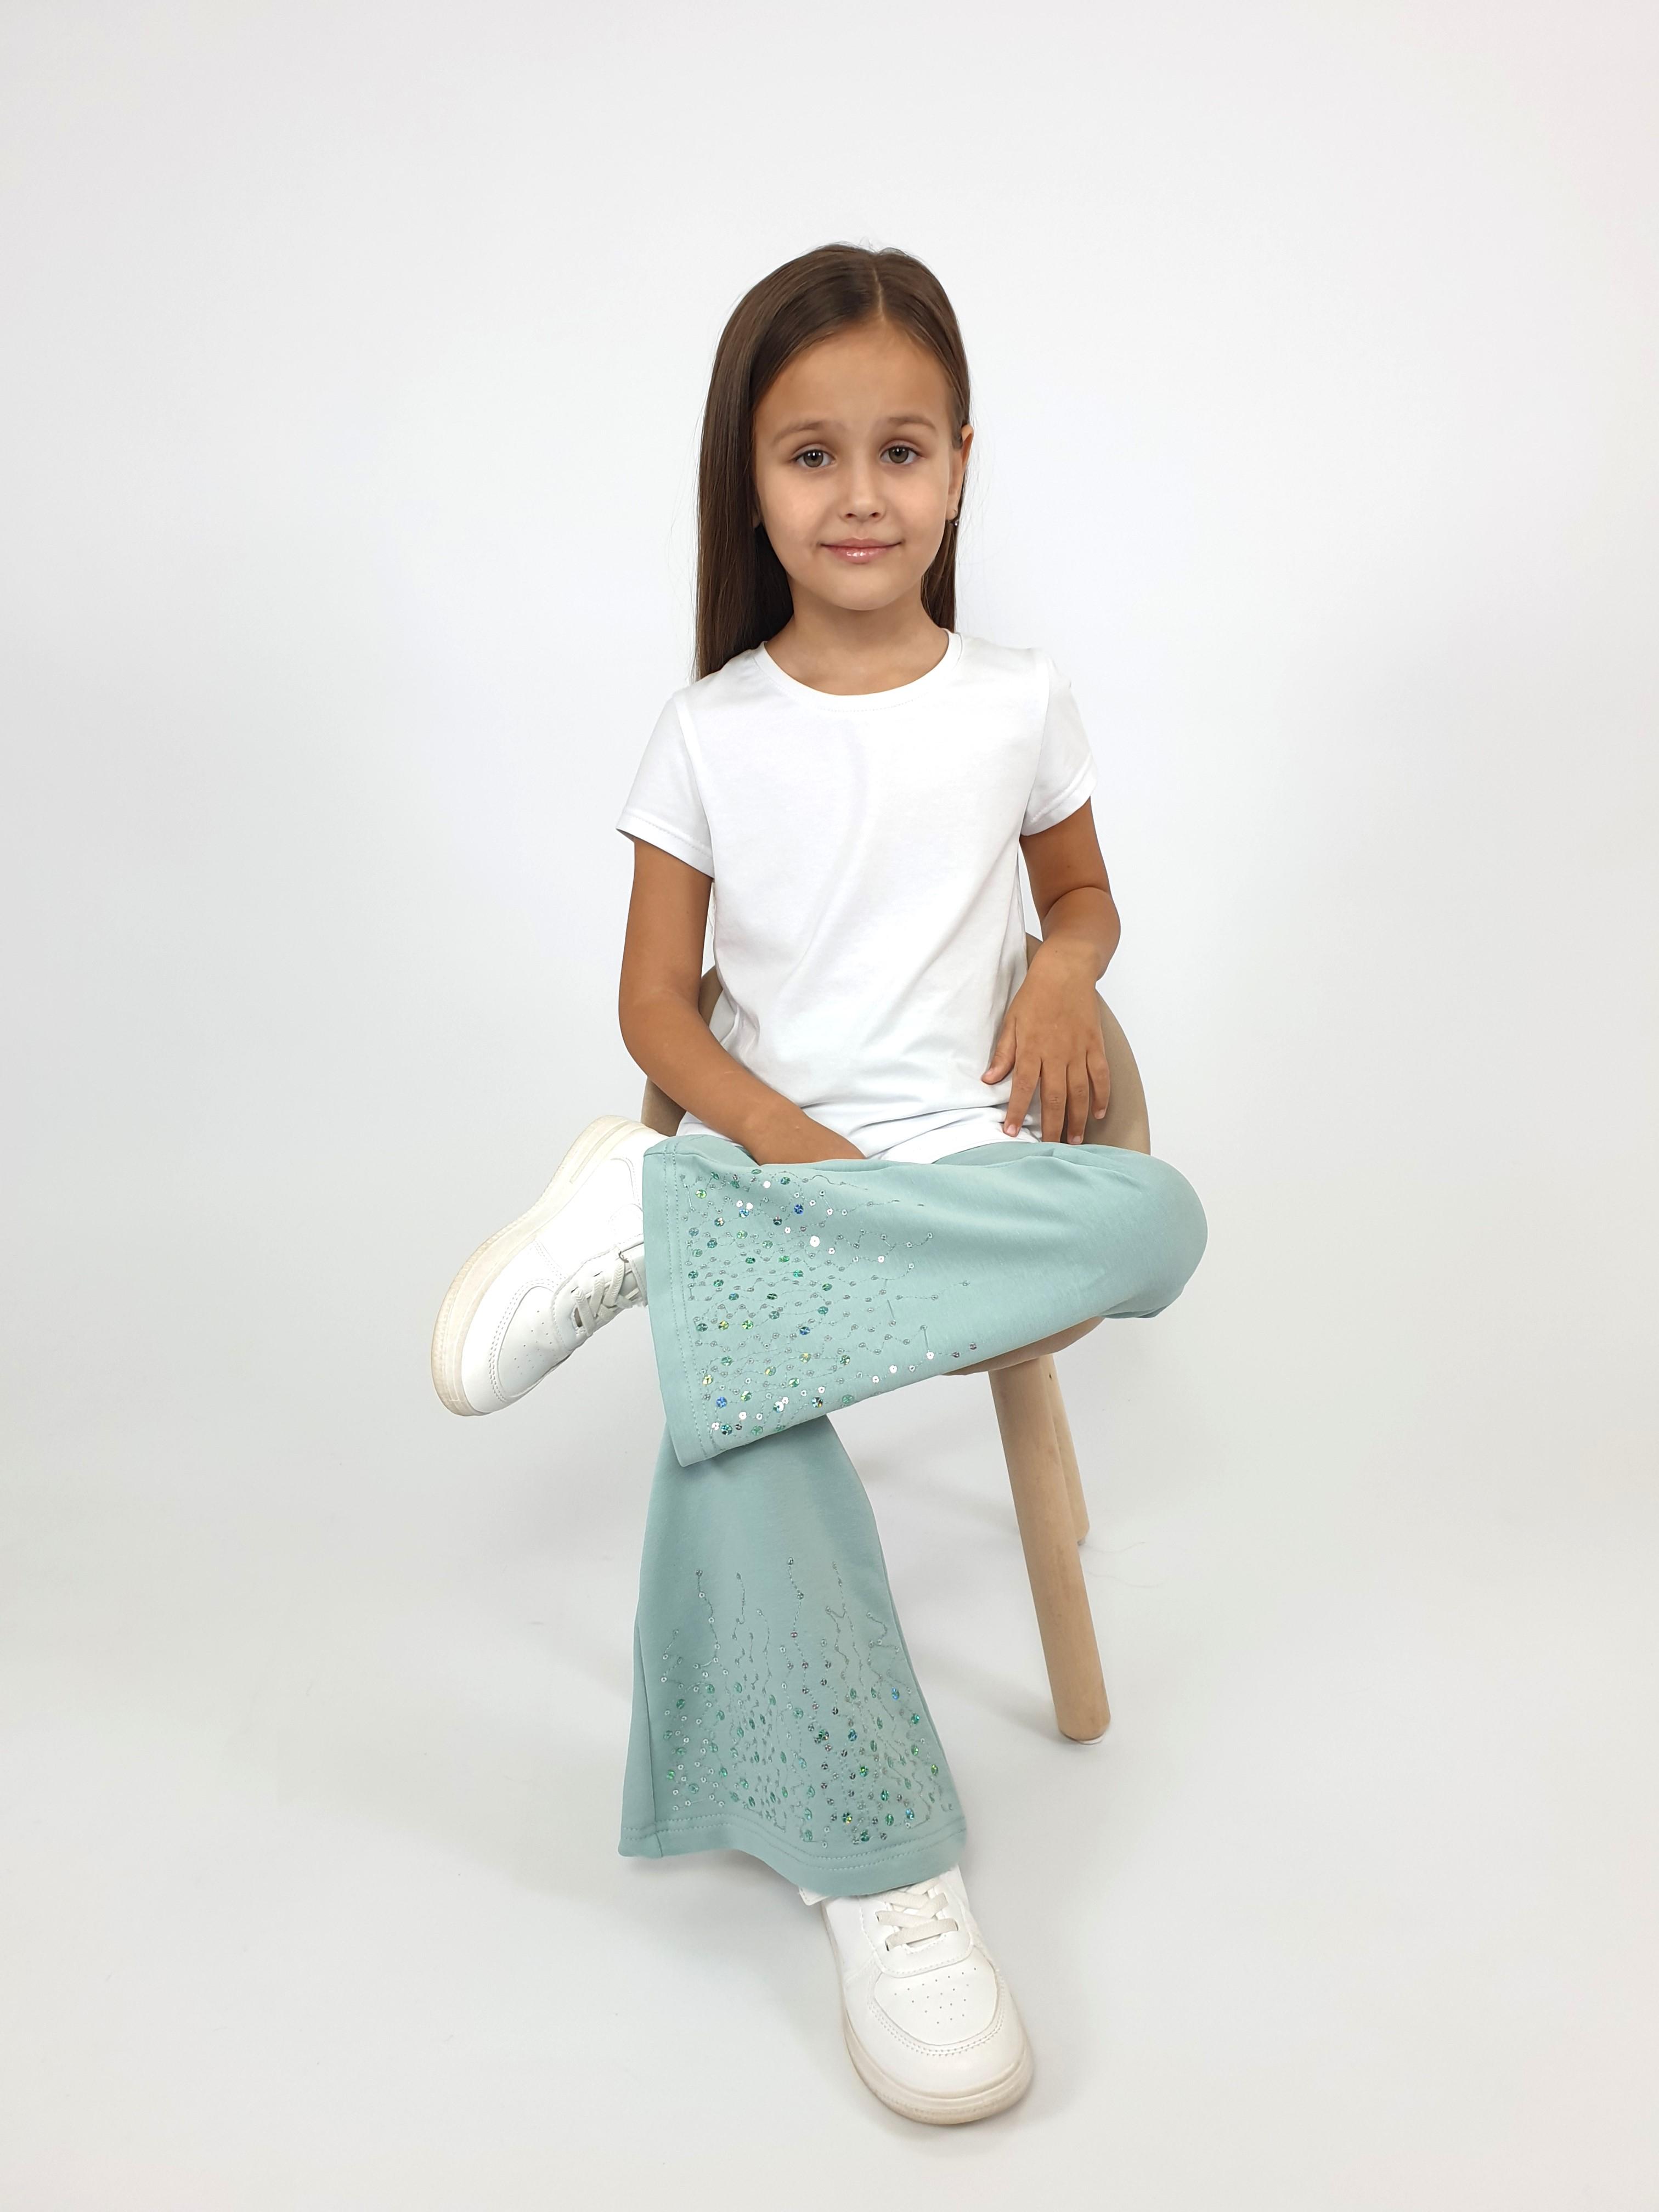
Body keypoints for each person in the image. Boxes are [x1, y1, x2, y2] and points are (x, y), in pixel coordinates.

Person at [429, 244, 1207, 2126]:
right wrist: (785, 1154)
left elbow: (1085, 897)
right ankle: (885, 1873)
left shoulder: (1017, 699)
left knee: (1159, 1220)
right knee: (747, 1407)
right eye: (811, 455)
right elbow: (656, 1008)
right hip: (786, 1174)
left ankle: (661, 1237)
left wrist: (1061, 976)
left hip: (977, 1173)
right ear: (752, 479)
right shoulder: (711, 731)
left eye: (901, 451)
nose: (861, 495)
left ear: (960, 467)